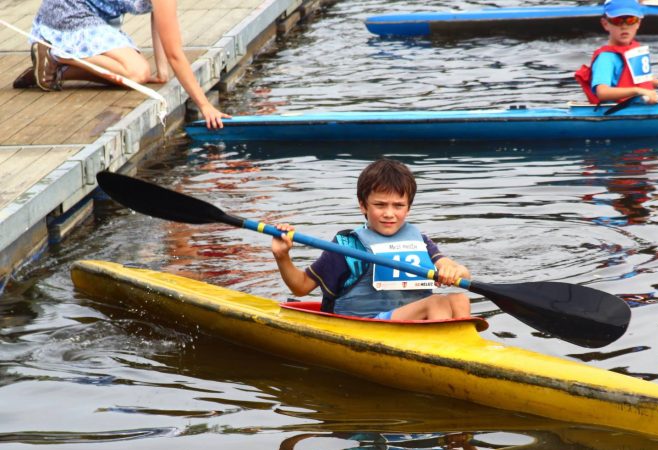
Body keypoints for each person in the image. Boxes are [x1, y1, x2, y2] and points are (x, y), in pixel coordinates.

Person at [271, 158, 471, 321]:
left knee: (459, 299)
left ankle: (462, 351)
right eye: (380, 205)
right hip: (366, 325)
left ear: (408, 208)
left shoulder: (420, 240)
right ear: (363, 206)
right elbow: (301, 287)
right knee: (437, 303)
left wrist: (452, 271)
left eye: (398, 206)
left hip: (412, 322)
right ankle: (441, 356)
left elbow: (461, 272)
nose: (389, 213)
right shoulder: (348, 246)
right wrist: (282, 256)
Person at [13, 0, 228, 129]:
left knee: (128, 76)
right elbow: (175, 54)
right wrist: (205, 105)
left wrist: (162, 72)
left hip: (88, 13)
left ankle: (51, 72)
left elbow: (159, 15)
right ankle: (55, 54)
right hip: (68, 12)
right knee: (136, 72)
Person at [574, 0, 658, 105]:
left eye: (630, 20)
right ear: (605, 24)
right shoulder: (606, 58)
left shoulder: (634, 50)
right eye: (617, 20)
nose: (624, 26)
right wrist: (637, 91)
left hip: (641, 103)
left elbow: (643, 78)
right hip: (617, 111)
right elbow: (602, 92)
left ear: (638, 23)